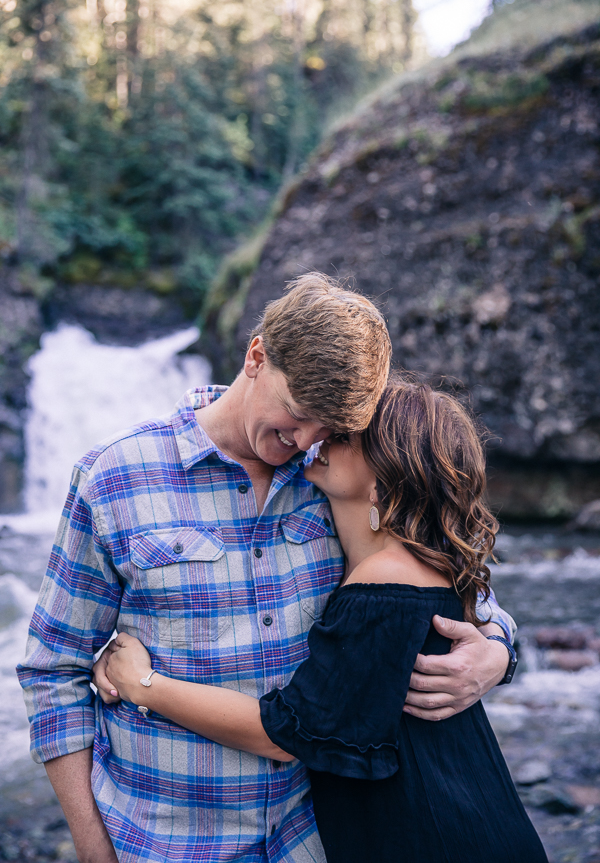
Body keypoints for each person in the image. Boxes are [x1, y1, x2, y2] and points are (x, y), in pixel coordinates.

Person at [18, 274, 515, 863]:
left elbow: (447, 591)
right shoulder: (114, 478)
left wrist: (498, 651)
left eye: (331, 428)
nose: (305, 439)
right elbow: (54, 672)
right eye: (299, 413)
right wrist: (94, 849)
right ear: (256, 355)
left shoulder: (338, 483)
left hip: (316, 842)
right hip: (167, 845)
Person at [97, 379, 546, 863]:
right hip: (466, 815)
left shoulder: (384, 590)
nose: (319, 437)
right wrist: (497, 644)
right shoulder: (424, 558)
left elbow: (285, 733)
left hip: (437, 835)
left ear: (382, 484)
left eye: (345, 436)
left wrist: (143, 684)